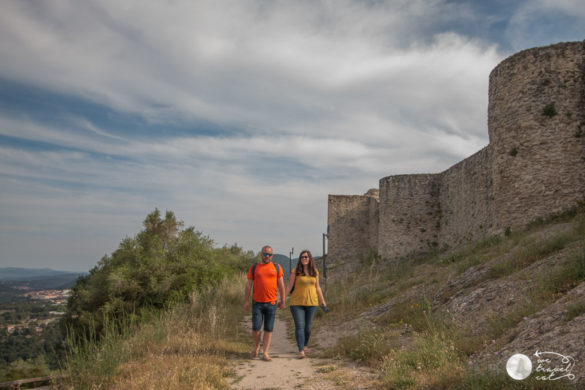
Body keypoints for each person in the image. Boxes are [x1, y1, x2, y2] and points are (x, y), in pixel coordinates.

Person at [244, 245, 285, 361]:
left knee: (268, 328)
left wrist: (282, 300)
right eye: (265, 254)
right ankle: (257, 345)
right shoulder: (254, 267)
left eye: (269, 254)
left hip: (271, 303)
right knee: (256, 328)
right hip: (257, 303)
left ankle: (265, 352)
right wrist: (246, 300)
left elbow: (281, 285)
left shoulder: (277, 267)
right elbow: (248, 285)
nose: (267, 256)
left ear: (272, 256)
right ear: (261, 254)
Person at [285, 249, 326, 359]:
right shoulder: (295, 271)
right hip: (297, 303)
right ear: (300, 259)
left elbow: (318, 287)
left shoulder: (315, 272)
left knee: (308, 327)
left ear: (310, 259)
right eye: (302, 257)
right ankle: (301, 350)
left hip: (312, 303)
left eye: (306, 257)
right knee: (300, 326)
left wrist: (322, 300)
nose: (304, 258)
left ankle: (305, 344)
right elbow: (289, 286)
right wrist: (283, 298)